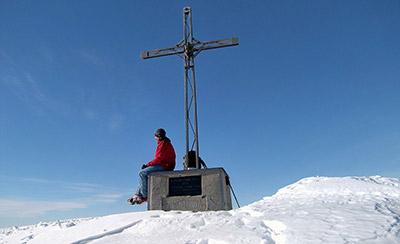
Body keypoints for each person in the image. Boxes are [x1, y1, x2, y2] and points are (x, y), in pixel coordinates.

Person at [127, 128, 176, 205]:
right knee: (143, 173)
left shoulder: (163, 144)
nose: (155, 138)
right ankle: (138, 194)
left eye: (156, 136)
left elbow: (158, 159)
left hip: (165, 166)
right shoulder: (164, 143)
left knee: (142, 173)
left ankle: (144, 195)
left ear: (159, 136)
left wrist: (147, 165)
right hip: (165, 164)